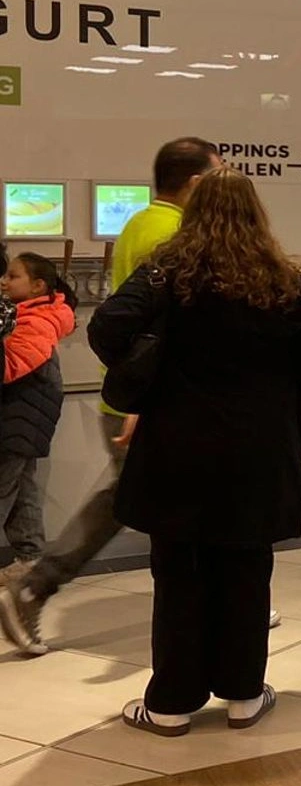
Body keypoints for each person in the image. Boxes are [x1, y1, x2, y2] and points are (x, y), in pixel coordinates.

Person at [87, 170, 301, 736]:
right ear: (256, 214)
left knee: (179, 573)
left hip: (179, 446)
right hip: (258, 451)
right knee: (247, 570)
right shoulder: (287, 283)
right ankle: (244, 694)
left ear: (193, 213)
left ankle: (171, 703)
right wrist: (294, 437)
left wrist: (148, 373)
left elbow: (105, 328)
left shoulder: (170, 274)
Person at [0, 137, 222, 656]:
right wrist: (150, 402)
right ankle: (34, 586)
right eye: (217, 177)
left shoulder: (142, 223)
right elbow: (169, 331)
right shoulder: (174, 235)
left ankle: (219, 597)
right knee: (132, 499)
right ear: (195, 183)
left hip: (138, 398)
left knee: (171, 499)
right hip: (152, 404)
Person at [0, 253, 78, 595]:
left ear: (38, 286)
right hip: (22, 420)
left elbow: (10, 366)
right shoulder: (25, 315)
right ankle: (29, 559)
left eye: (13, 276)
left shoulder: (37, 321)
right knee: (22, 489)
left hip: (19, 420)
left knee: (4, 487)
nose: (4, 281)